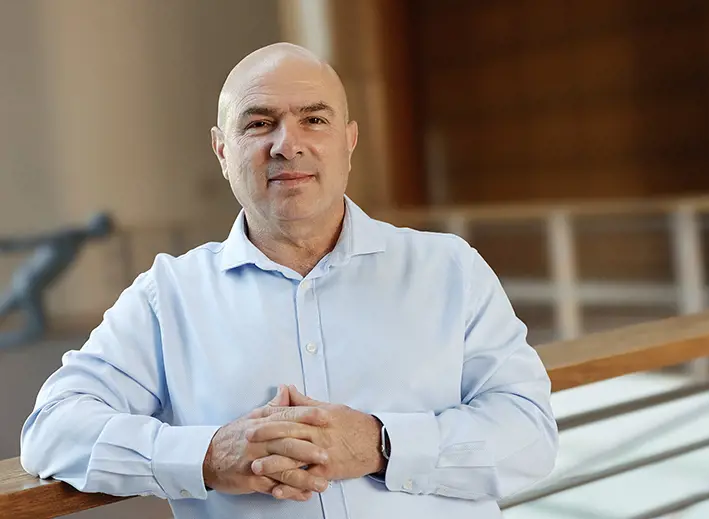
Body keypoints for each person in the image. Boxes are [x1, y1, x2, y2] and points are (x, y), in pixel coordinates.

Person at [19, 43, 558, 518]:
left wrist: (381, 444)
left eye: (314, 119)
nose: (287, 144)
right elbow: (53, 429)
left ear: (349, 141)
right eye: (259, 123)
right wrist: (208, 456)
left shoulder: (449, 269)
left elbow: (530, 434)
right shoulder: (168, 296)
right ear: (222, 151)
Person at [0, 212, 113, 349]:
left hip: (25, 282)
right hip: (29, 286)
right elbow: (36, 240)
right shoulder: (70, 237)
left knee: (13, 315)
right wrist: (9, 245)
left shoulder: (76, 240)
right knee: (36, 331)